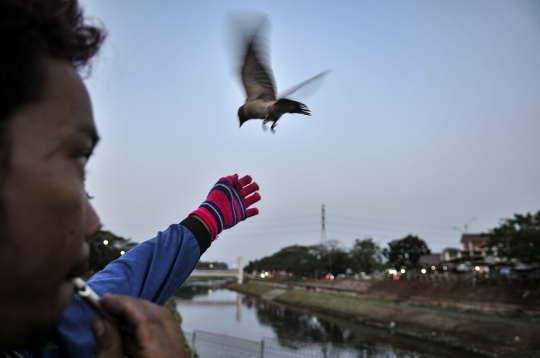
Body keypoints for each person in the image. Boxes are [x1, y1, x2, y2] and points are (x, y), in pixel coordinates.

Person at [0, 1, 261, 357]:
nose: (93, 224)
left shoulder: (40, 327)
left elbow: (117, 289)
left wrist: (203, 224)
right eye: (75, 157)